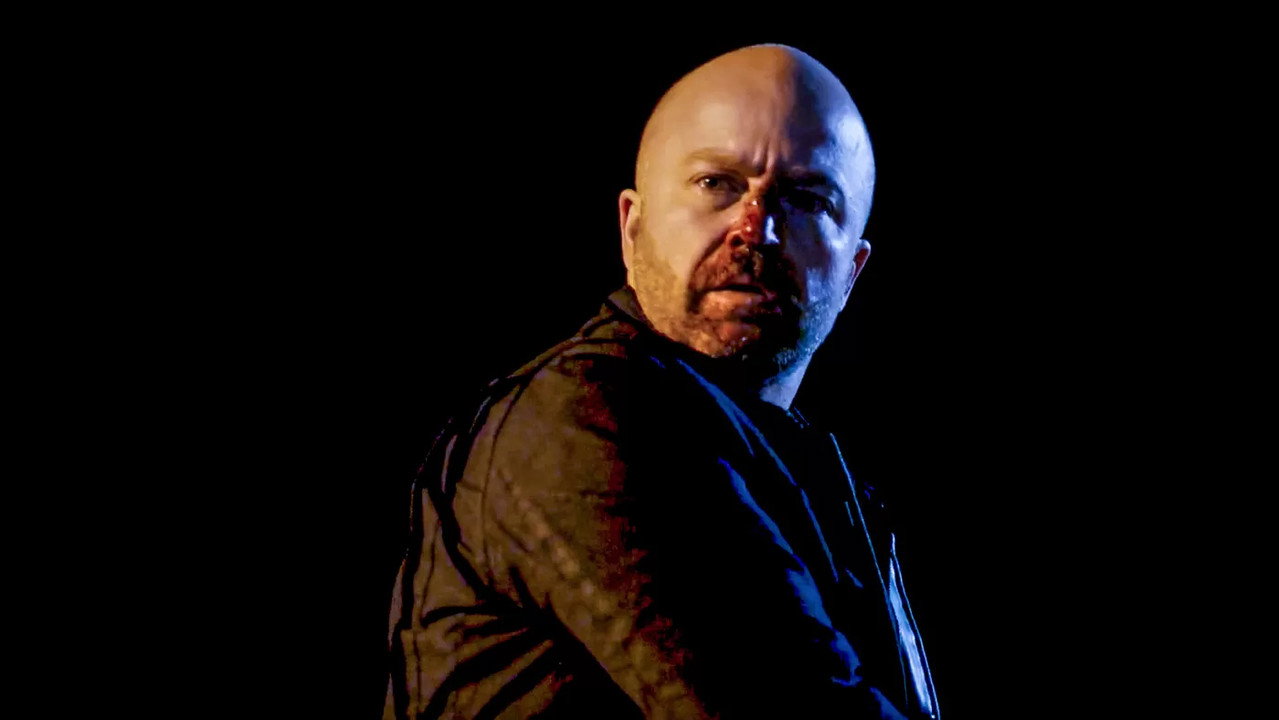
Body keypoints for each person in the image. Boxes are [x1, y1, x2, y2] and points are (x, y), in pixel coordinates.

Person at [385, 44, 940, 719]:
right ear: (632, 227)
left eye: (806, 199)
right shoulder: (585, 419)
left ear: (852, 272)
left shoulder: (817, 479)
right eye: (716, 183)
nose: (755, 228)